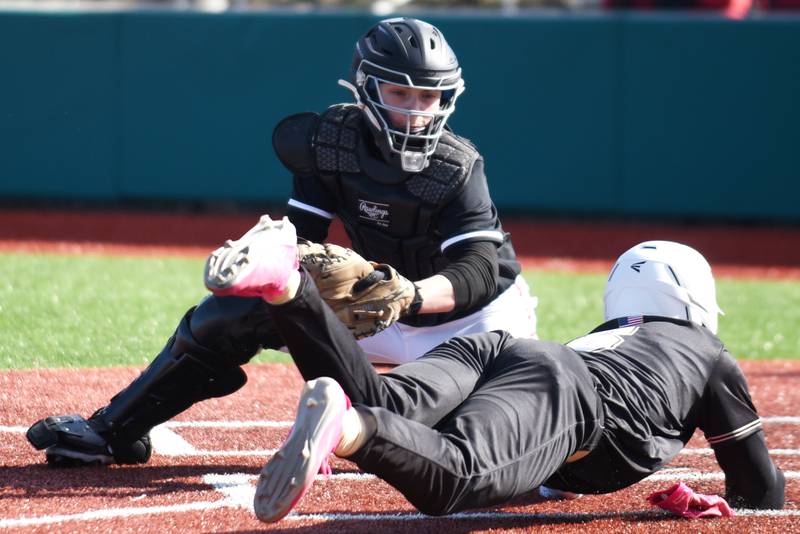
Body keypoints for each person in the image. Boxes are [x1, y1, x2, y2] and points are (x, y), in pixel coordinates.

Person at [24, 17, 536, 467]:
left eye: (427, 97)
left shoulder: (457, 166)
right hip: (376, 302)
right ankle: (115, 432)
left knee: (460, 443)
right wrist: (269, 271)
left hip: (476, 323)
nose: (416, 111)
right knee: (231, 312)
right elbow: (303, 242)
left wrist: (410, 295)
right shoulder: (328, 144)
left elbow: (480, 271)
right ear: (367, 88)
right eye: (400, 94)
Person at [200, 222, 784, 522]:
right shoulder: (708, 353)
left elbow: (545, 464)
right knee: (457, 478)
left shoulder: (607, 334)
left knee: (377, 397)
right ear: (696, 302)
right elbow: (759, 490)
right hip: (568, 390)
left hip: (505, 349)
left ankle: (290, 288)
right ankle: (347, 430)